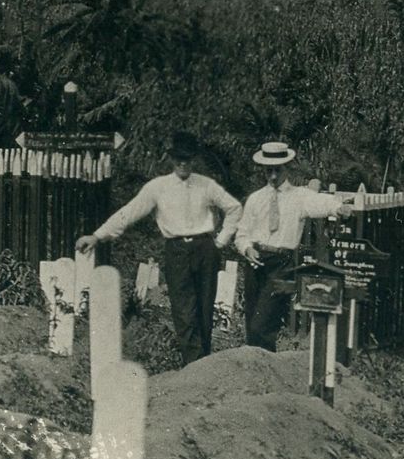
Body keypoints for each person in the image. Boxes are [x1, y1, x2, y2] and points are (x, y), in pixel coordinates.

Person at [77, 131, 243, 366]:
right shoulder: (158, 187)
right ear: (172, 159)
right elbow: (129, 213)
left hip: (205, 249)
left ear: (193, 160)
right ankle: (193, 365)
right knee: (184, 311)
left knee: (205, 309)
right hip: (177, 251)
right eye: (179, 159)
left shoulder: (206, 185)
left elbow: (234, 207)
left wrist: (220, 241)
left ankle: (204, 367)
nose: (183, 164)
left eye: (187, 159)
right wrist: (97, 236)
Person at [220, 139, 358, 351]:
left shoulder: (299, 197)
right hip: (255, 260)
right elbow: (242, 233)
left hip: (281, 263)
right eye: (269, 171)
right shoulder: (256, 199)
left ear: (287, 168)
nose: (273, 176)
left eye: (278, 170)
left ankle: (265, 362)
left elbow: (322, 202)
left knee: (262, 324)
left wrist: (339, 208)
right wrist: (247, 248)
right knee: (252, 322)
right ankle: (259, 365)